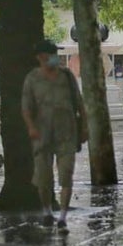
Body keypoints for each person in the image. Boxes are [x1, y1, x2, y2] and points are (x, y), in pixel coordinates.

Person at [22, 38, 85, 231]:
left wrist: (84, 128)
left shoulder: (67, 76)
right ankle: (47, 211)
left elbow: (80, 104)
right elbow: (26, 107)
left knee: (66, 174)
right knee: (43, 177)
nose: (54, 58)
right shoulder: (32, 79)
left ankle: (63, 217)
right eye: (51, 55)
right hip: (42, 134)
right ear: (41, 57)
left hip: (66, 132)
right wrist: (31, 127)